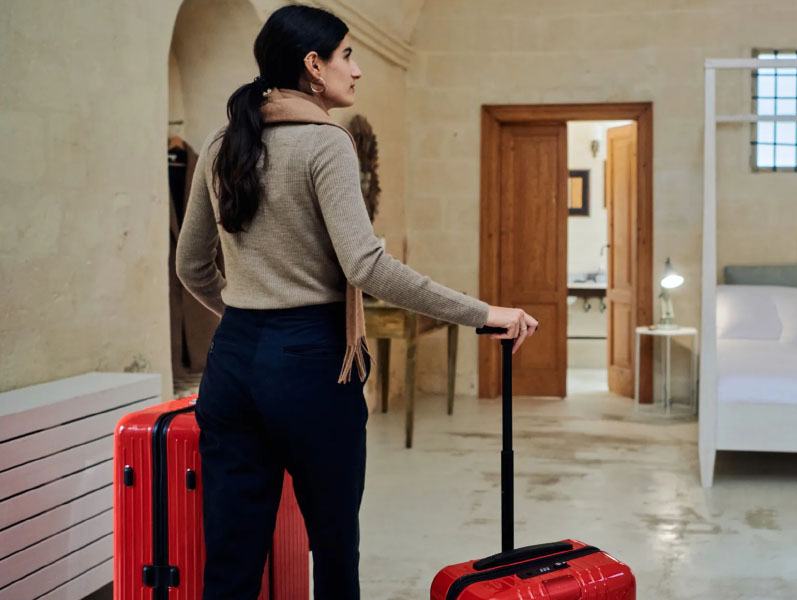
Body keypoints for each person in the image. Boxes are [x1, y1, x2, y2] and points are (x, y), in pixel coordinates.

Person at [175, 5, 537, 599]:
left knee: (231, 562)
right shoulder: (325, 143)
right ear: (313, 67)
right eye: (347, 55)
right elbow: (366, 267)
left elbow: (191, 265)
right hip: (313, 364)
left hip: (231, 361)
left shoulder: (220, 144)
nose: (358, 69)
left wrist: (247, 314)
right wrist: (485, 312)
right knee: (334, 550)